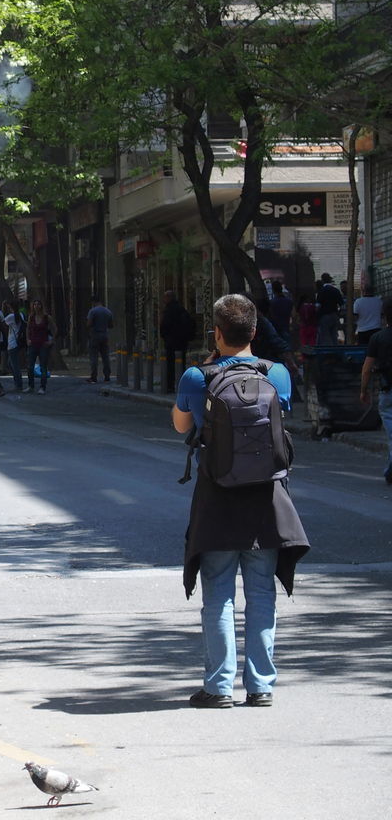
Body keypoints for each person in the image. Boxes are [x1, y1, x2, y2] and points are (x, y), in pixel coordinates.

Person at [172, 294, 309, 709]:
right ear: (253, 332)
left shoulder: (197, 377)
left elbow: (182, 426)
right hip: (267, 499)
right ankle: (261, 686)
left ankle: (217, 688)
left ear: (215, 332)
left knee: (218, 593)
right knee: (261, 592)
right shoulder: (278, 374)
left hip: (217, 497)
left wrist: (208, 371)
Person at [358, 296, 392, 484]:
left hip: (388, 390)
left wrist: (363, 390)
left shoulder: (377, 338)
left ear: (385, 316)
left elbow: (366, 368)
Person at [159, 290, 196, 394]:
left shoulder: (169, 311)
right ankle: (181, 385)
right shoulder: (182, 309)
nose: (163, 300)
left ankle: (170, 386)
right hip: (181, 341)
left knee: (170, 365)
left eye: (165, 297)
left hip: (171, 341)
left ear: (169, 298)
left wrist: (165, 336)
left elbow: (164, 326)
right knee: (181, 363)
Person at [26, 298, 55, 394]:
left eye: (38, 304)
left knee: (43, 367)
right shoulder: (31, 317)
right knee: (30, 366)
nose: (36, 306)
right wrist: (28, 339)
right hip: (33, 344)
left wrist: (51, 341)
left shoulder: (47, 317)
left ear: (41, 306)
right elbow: (28, 329)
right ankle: (31, 386)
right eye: (35, 304)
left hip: (43, 344)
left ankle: (42, 387)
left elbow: (55, 328)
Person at [85, 297, 113, 383]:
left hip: (95, 335)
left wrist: (89, 327)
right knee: (105, 356)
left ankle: (94, 376)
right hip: (104, 335)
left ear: (94, 302)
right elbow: (111, 325)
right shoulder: (108, 311)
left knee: (94, 356)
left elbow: (89, 324)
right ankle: (107, 376)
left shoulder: (92, 311)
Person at [2, 299, 25, 393]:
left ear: (10, 307)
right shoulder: (21, 315)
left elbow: (2, 322)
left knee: (14, 365)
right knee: (11, 364)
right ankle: (18, 383)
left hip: (12, 343)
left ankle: (19, 385)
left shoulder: (11, 316)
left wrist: (3, 309)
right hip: (17, 343)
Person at [316, 273, 343, 345]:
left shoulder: (322, 291)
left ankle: (328, 354)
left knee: (325, 336)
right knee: (334, 335)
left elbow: (318, 305)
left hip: (324, 316)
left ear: (322, 280)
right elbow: (342, 305)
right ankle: (336, 352)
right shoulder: (336, 290)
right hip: (334, 315)